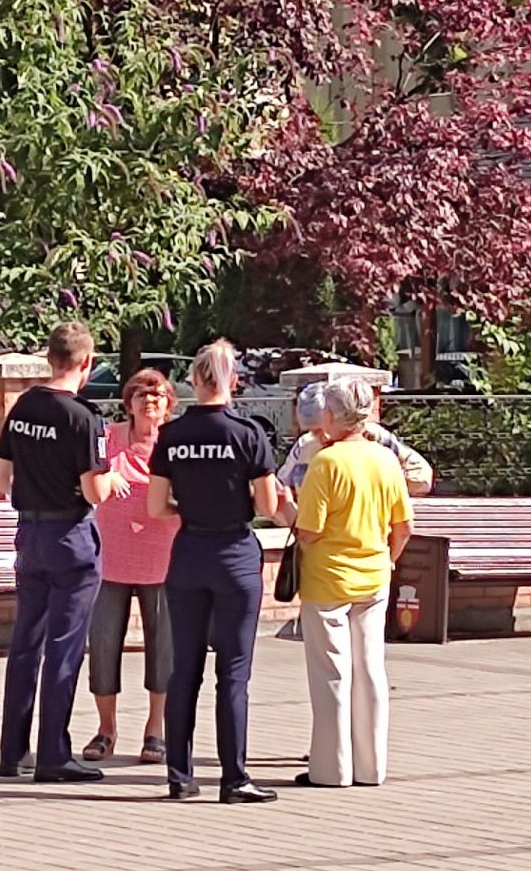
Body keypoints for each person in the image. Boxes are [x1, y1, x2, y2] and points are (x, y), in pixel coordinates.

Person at [148, 338, 281, 803]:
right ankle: (234, 778)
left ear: (195, 380)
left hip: (188, 553)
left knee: (184, 668)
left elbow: (156, 506)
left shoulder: (172, 435)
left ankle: (179, 776)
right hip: (235, 554)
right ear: (233, 381)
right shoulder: (248, 434)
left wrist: (190, 506)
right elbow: (267, 506)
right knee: (234, 672)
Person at [0, 322, 118, 782]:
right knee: (64, 648)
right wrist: (113, 476)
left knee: (26, 643)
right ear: (87, 363)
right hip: (71, 537)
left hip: (30, 534)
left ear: (50, 358)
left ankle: (12, 751)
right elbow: (95, 490)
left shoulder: (24, 405)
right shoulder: (84, 418)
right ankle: (53, 754)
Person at [280, 378, 413, 788]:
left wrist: (286, 509)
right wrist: (387, 560)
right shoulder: (386, 460)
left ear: (331, 415)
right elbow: (404, 526)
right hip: (374, 576)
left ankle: (331, 769)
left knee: (331, 675)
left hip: (327, 579)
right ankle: (372, 767)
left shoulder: (327, 463)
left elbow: (309, 531)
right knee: (370, 670)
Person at [82, 369, 178, 766]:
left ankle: (156, 730)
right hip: (111, 557)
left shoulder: (175, 440)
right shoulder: (109, 437)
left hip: (164, 557)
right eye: (141, 395)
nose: (149, 401)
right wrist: (109, 474)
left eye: (157, 395)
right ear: (129, 402)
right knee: (103, 642)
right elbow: (90, 473)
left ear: (169, 403)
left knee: (163, 646)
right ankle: (106, 729)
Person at [278, 382, 433, 497]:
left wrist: (372, 485)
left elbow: (422, 476)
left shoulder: (372, 436)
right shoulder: (305, 445)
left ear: (333, 417)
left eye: (321, 429)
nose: (321, 437)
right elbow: (281, 486)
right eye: (312, 432)